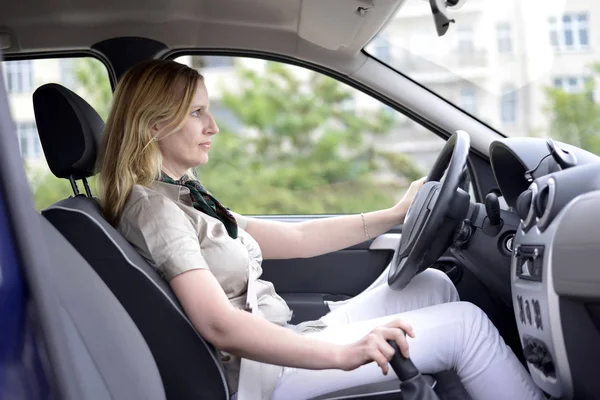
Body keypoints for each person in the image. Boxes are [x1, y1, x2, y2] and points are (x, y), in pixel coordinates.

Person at [97, 59, 545, 400]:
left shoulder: (186, 192)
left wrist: (392, 214)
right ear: (156, 125)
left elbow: (295, 239)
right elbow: (218, 324)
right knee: (465, 326)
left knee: (433, 284)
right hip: (261, 375)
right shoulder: (154, 210)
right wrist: (344, 355)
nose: (213, 126)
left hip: (287, 337)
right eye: (198, 114)